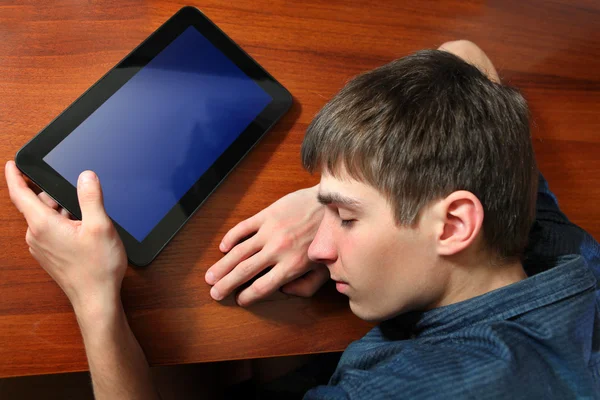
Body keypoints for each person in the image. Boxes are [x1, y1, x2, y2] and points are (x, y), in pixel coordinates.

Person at [5, 40, 600, 399]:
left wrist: (93, 296)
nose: (319, 247)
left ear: (451, 226)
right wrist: (329, 192)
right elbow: (465, 57)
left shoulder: (405, 389)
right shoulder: (553, 244)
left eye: (345, 217)